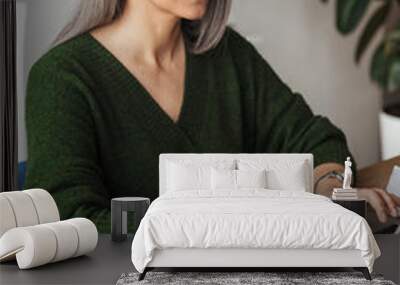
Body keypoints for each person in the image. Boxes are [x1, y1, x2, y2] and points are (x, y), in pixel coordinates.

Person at [25, 0, 400, 233]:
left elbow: (313, 136)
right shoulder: (62, 78)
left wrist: (329, 186)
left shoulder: (227, 56)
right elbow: (69, 219)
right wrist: (215, 226)